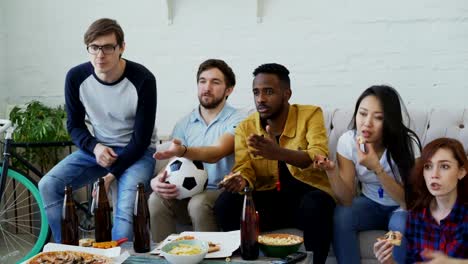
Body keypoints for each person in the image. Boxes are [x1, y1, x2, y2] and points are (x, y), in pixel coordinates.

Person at [38, 18, 157, 242]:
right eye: (94, 47)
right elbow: (74, 125)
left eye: (108, 47)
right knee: (48, 185)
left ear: (121, 47)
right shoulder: (76, 77)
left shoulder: (143, 79)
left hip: (139, 153)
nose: (100, 55)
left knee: (124, 217)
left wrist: (112, 174)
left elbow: (141, 139)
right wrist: (95, 147)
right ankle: (68, 250)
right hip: (98, 151)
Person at [214, 63, 336, 264]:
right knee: (225, 204)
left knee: (316, 203)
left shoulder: (310, 114)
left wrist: (279, 153)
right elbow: (244, 167)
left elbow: (318, 155)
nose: (260, 99)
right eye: (256, 92)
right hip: (270, 200)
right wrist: (241, 180)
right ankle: (244, 260)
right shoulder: (246, 127)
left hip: (307, 197)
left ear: (286, 94)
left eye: (268, 92)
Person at [315, 85, 421, 264]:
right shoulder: (348, 141)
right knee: (342, 215)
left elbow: (409, 202)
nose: (367, 123)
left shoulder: (407, 144)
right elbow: (347, 200)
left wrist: (377, 169)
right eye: (362, 114)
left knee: (400, 226)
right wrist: (332, 172)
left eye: (378, 117)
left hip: (401, 209)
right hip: (370, 204)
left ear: (390, 121)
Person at [148, 59, 246, 242]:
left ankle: (209, 256)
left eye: (215, 82)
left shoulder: (240, 119)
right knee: (155, 199)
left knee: (198, 203)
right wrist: (156, 181)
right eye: (202, 81)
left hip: (222, 192)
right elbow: (172, 163)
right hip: (187, 192)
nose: (207, 87)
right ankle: (164, 256)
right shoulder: (184, 124)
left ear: (229, 89)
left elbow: (217, 152)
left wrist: (183, 150)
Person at [374, 138, 468, 263]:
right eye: (428, 166)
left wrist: (454, 262)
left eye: (444, 166)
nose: (434, 174)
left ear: (461, 172)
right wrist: (388, 261)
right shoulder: (416, 214)